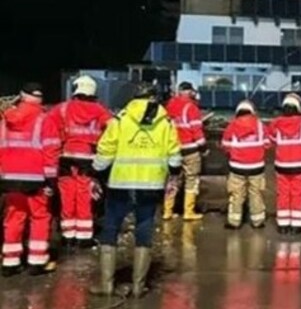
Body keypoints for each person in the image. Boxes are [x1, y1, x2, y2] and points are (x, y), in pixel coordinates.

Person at [90, 83, 181, 297]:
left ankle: (107, 285)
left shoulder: (120, 120)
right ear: (154, 98)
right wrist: (173, 177)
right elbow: (174, 153)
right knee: (144, 231)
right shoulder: (166, 122)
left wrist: (95, 174)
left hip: (120, 185)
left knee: (110, 230)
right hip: (151, 186)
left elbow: (105, 150)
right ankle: (139, 287)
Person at [0, 83, 60, 276]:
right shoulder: (45, 120)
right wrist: (51, 180)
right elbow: (51, 151)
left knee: (13, 217)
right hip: (36, 179)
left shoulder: (5, 120)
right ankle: (36, 260)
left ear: (21, 96)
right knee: (40, 218)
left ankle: (10, 261)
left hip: (9, 178)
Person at [48, 75, 112, 248]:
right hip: (88, 158)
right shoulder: (100, 110)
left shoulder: (61, 108)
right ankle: (84, 236)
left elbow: (48, 128)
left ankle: (68, 235)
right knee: (84, 195)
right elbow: (113, 129)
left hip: (65, 157)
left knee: (67, 195)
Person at [267, 93, 301, 235]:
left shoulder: (275, 123)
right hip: (300, 165)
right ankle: (296, 225)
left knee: (283, 193)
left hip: (281, 165)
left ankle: (282, 224)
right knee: (297, 194)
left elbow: (271, 140)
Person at [221, 100, 270, 229]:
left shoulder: (232, 126)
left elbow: (225, 146)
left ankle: (234, 222)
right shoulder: (260, 126)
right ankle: (257, 221)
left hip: (237, 167)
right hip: (257, 167)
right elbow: (267, 144)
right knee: (256, 193)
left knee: (236, 194)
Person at [163, 82, 206, 221]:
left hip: (173, 148)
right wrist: (203, 147)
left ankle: (167, 211)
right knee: (191, 180)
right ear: (190, 92)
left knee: (172, 180)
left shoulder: (169, 105)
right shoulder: (192, 108)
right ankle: (188, 212)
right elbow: (196, 130)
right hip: (190, 149)